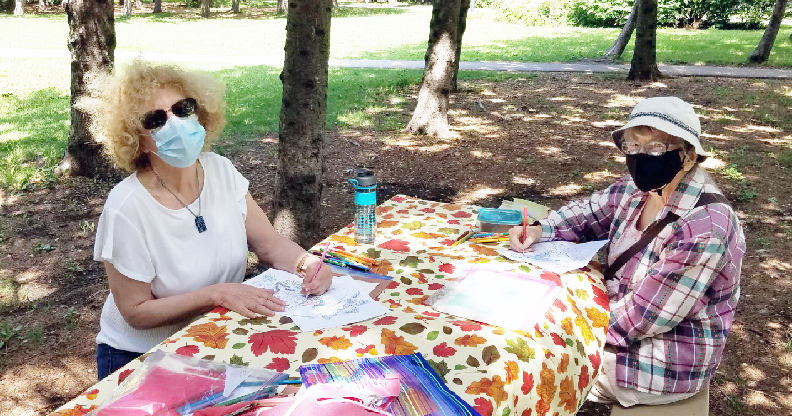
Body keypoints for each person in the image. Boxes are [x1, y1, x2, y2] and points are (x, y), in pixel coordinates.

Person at [79, 61, 333, 380]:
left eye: (183, 108)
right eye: (156, 119)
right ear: (137, 139)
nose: (175, 123)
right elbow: (136, 312)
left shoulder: (220, 170)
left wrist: (307, 264)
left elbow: (269, 244)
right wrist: (217, 294)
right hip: (140, 357)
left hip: (213, 336)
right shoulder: (126, 208)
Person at [509, 97, 745, 407]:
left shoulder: (705, 227)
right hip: (616, 320)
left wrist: (558, 325)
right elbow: (587, 213)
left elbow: (643, 317)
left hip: (661, 359)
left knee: (526, 368)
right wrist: (541, 229)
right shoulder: (640, 188)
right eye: (633, 148)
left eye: (657, 149)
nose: (642, 159)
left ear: (688, 157)